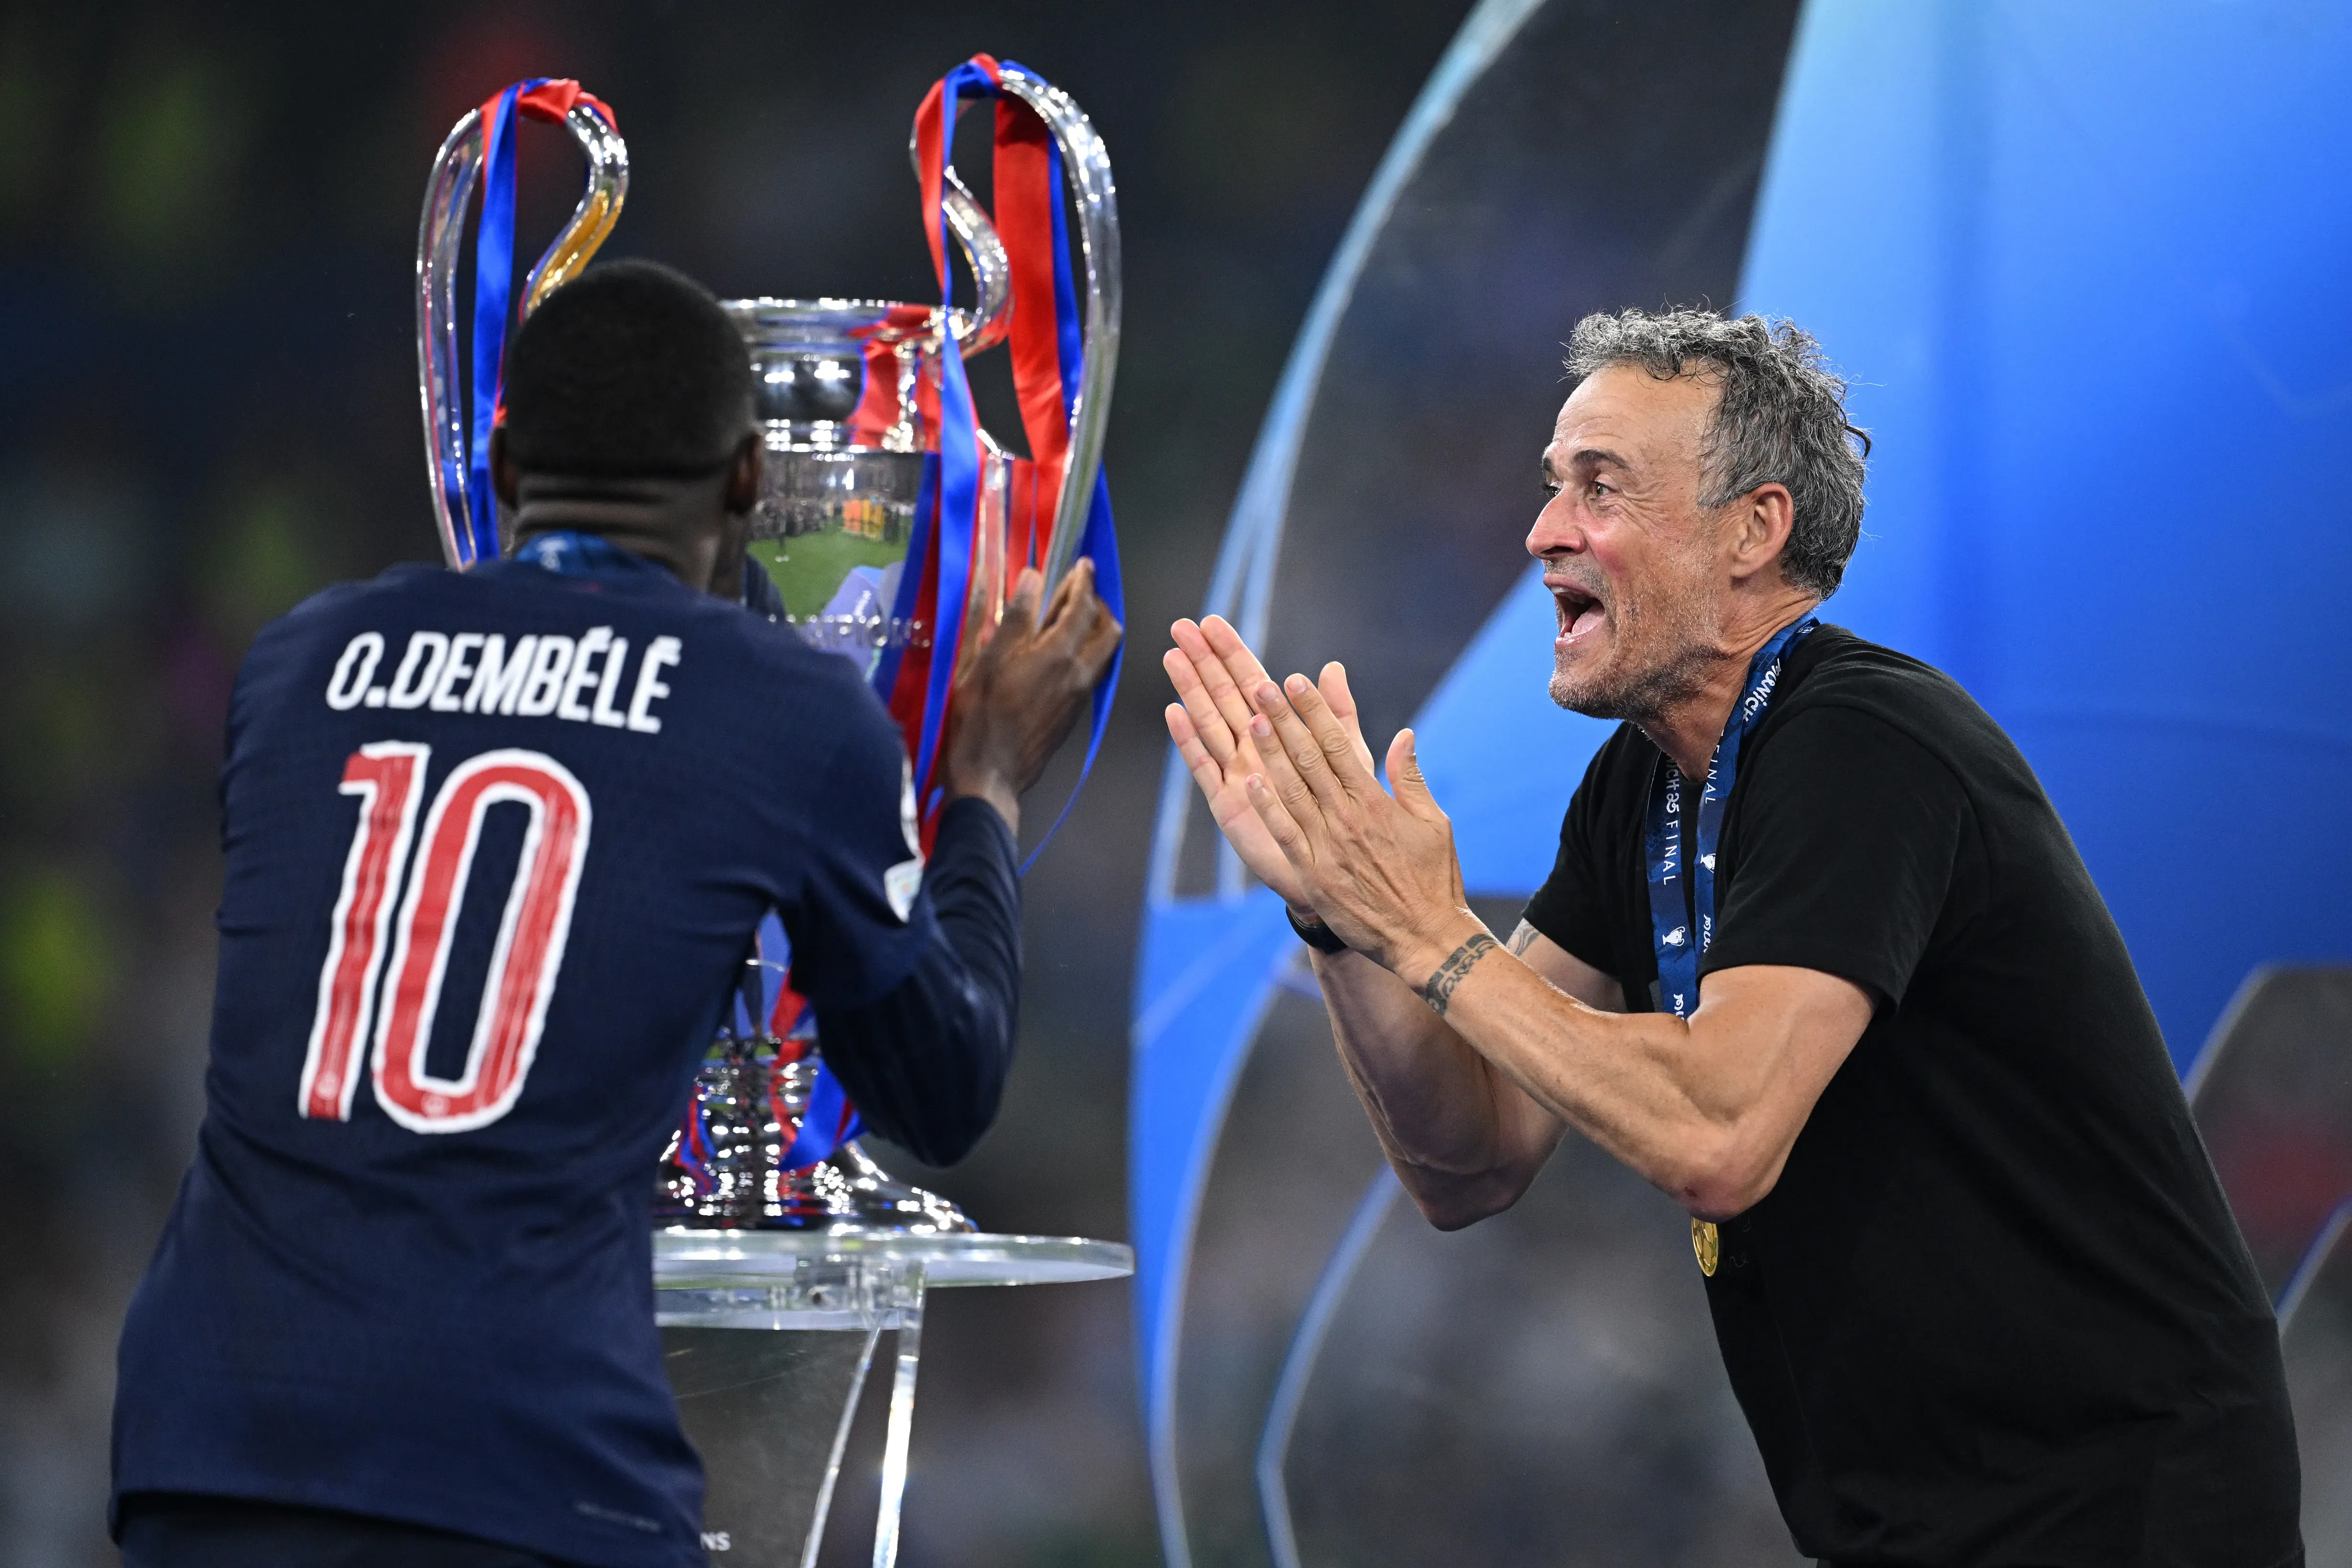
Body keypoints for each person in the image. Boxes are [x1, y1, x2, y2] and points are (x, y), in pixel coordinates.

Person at [1163, 307, 2300, 1566]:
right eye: (1551, 486)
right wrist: (1339, 920)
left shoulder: (1865, 745)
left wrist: (1428, 933)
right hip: (1906, 1524)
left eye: (1599, 486)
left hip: (2120, 1516)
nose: (1544, 531)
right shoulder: (1639, 789)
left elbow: (1716, 1136)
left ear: (1754, 529)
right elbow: (1469, 1158)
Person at [111, 259, 1121, 1568]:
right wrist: (979, 783)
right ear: (752, 483)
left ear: (507, 462)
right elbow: (943, 1087)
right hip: (516, 1464)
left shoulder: (302, 661)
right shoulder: (778, 708)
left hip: (207, 1447)